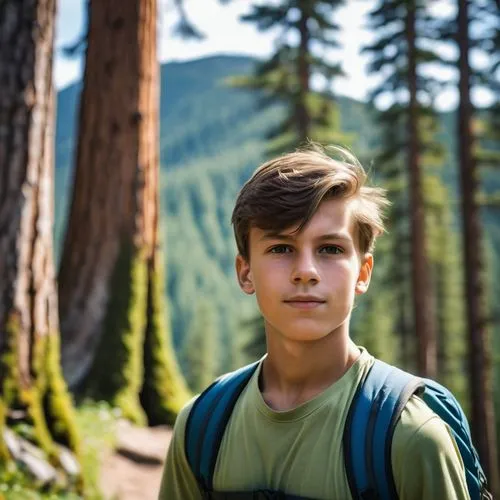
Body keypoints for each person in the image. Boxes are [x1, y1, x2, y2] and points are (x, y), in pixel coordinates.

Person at [158, 143, 470, 499]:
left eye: (330, 249)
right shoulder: (201, 427)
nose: (305, 271)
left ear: (363, 273)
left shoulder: (411, 437)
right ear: (245, 273)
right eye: (281, 248)